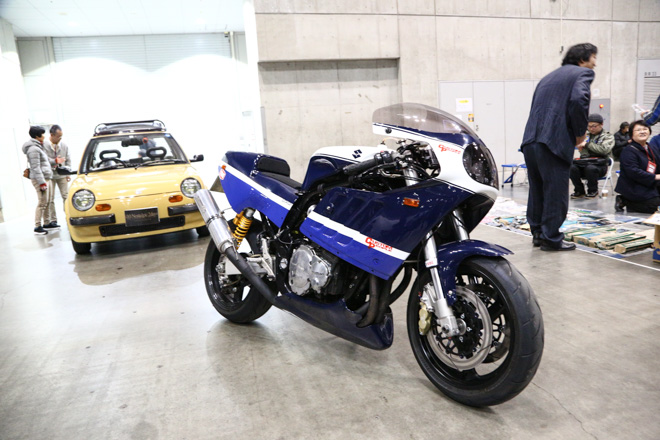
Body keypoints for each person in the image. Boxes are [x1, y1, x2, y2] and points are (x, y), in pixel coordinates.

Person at [520, 42, 597, 251]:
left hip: (531, 139)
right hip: (554, 141)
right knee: (555, 192)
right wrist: (580, 133)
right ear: (583, 59)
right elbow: (579, 100)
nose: (595, 64)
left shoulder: (548, 77)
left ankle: (538, 234)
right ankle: (551, 239)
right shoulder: (582, 73)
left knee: (537, 190)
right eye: (593, 58)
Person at [614, 120, 660, 213]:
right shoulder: (628, 151)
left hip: (650, 183)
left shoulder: (652, 148)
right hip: (634, 186)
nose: (642, 132)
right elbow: (633, 172)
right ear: (631, 134)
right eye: (638, 130)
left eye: (645, 129)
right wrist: (655, 177)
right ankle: (625, 200)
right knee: (654, 206)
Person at [569, 113, 614, 198]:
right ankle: (579, 190)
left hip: (600, 165)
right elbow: (584, 154)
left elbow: (604, 150)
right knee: (571, 167)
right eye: (589, 126)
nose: (591, 129)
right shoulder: (586, 135)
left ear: (601, 124)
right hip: (585, 162)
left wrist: (587, 144)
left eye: (594, 126)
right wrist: (581, 149)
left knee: (590, 168)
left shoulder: (608, 136)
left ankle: (593, 190)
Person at [22, 126, 55, 235]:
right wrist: (42, 183)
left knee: (47, 201)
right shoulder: (33, 149)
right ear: (37, 136)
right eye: (42, 133)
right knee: (42, 202)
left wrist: (56, 161)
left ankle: (47, 223)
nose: (44, 136)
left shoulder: (39, 146)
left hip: (46, 177)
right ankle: (37, 226)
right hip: (40, 179)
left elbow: (45, 161)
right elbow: (35, 167)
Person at [43, 124, 72, 229]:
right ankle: (53, 220)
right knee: (50, 198)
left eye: (61, 136)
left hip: (61, 174)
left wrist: (68, 173)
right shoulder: (44, 145)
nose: (60, 138)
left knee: (66, 196)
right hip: (50, 175)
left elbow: (68, 160)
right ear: (52, 135)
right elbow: (44, 160)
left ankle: (69, 216)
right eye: (58, 136)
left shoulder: (64, 145)